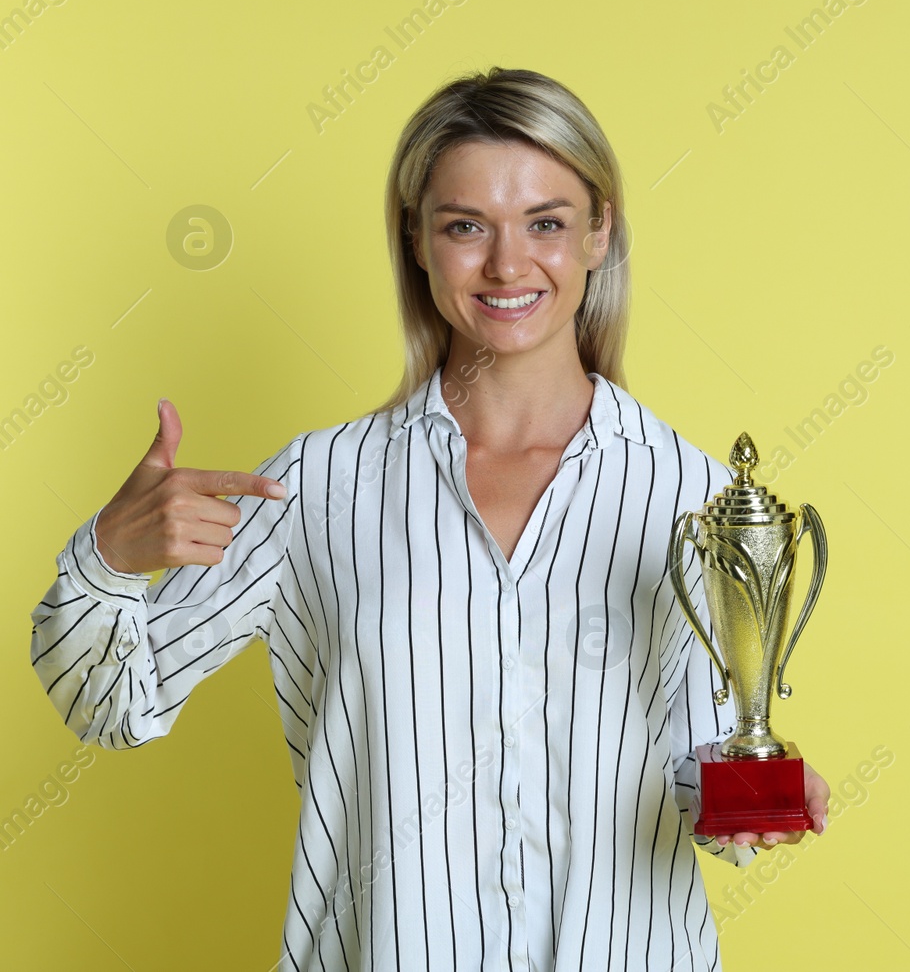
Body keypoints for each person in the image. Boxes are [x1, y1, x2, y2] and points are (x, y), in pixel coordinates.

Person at [27, 66, 829, 971]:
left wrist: (758, 793)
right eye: (465, 226)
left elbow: (692, 774)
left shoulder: (694, 496)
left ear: (600, 232)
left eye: (547, 223)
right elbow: (111, 704)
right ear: (416, 238)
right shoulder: (317, 487)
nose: (508, 263)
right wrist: (108, 560)